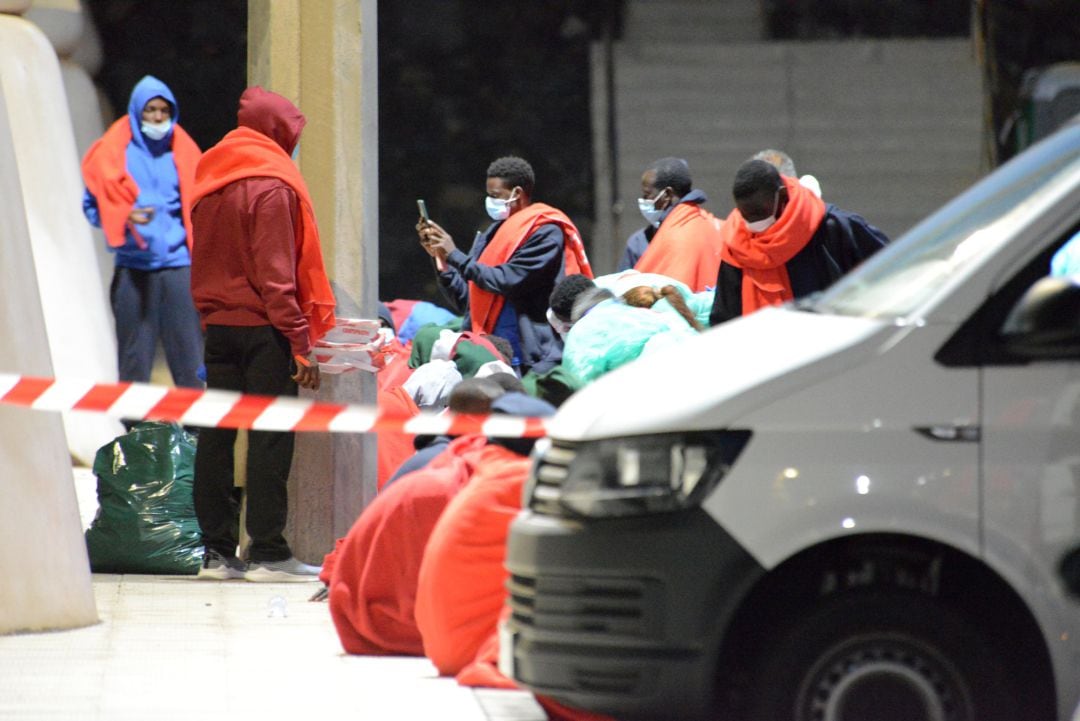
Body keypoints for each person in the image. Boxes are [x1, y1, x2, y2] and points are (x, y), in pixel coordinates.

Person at [188, 86, 336, 582]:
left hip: (219, 326)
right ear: (276, 131)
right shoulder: (270, 185)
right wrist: (300, 342)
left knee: (217, 436)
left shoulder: (211, 176)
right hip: (264, 331)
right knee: (270, 439)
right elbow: (276, 277)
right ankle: (268, 553)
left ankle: (215, 552)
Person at [80, 75, 204, 388]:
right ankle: (133, 430)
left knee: (190, 359)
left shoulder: (186, 152)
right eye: (151, 110)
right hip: (134, 267)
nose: (158, 117)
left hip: (179, 266)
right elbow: (92, 207)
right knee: (134, 360)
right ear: (138, 112)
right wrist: (123, 215)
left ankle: (193, 432)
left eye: (164, 110)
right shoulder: (111, 154)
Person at [417, 156, 593, 376]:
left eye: (495, 196)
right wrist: (442, 260)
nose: (490, 201)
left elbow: (506, 279)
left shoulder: (546, 231)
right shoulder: (492, 235)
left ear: (517, 193)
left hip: (531, 360)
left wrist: (454, 254)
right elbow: (468, 300)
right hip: (488, 353)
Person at [709, 159, 889, 325]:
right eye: (745, 214)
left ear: (783, 195)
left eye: (759, 212)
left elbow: (892, 272)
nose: (752, 221)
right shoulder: (736, 246)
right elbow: (725, 318)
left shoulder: (832, 227)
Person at [618, 157, 724, 292]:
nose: (643, 201)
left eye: (647, 195)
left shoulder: (678, 235)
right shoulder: (638, 242)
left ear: (667, 194)